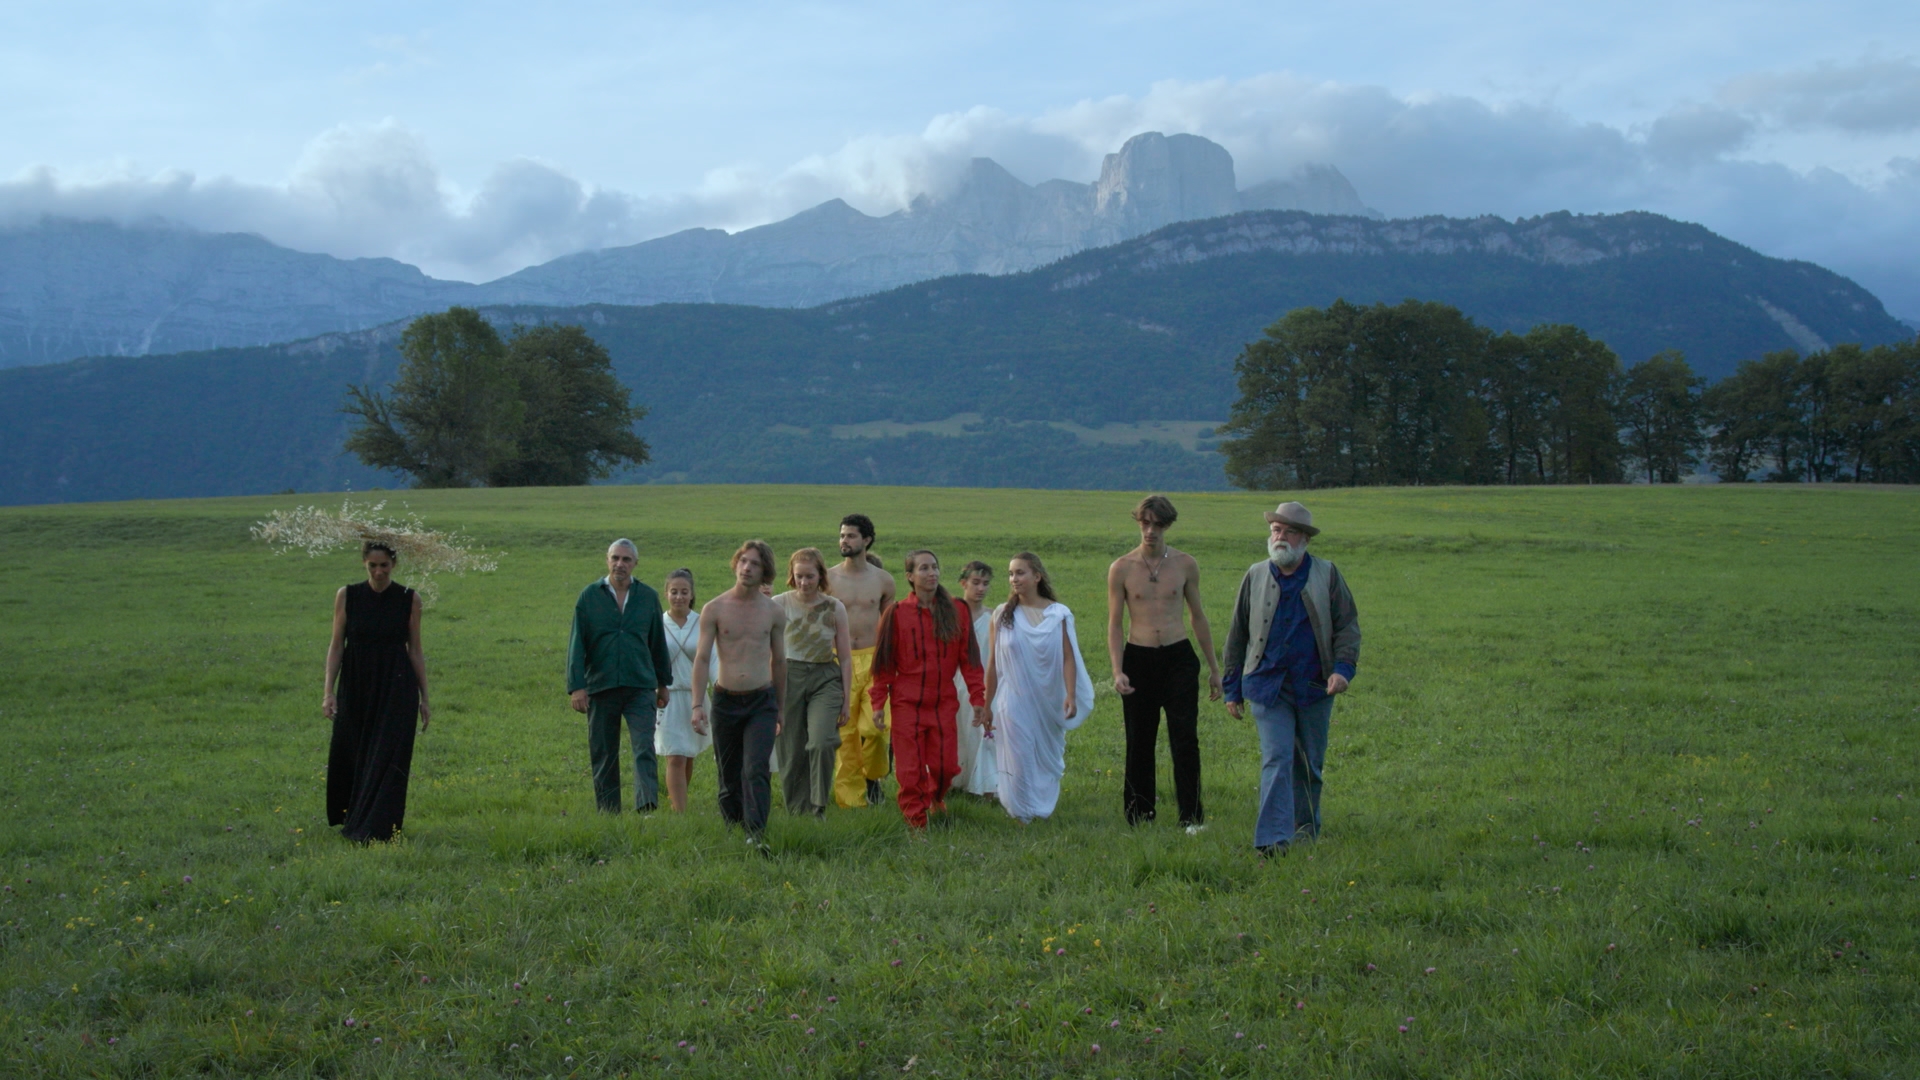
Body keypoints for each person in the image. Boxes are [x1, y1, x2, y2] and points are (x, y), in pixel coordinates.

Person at [1221, 502, 1362, 857]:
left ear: (1304, 539)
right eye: (1275, 531)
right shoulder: (1254, 575)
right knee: (1277, 757)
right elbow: (1237, 634)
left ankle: (1305, 830)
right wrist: (1232, 688)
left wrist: (1342, 670)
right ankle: (1272, 841)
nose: (1280, 537)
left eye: (1288, 532)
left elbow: (1347, 626)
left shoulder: (1327, 574)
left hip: (1315, 685)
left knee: (1309, 764)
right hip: (1267, 686)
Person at [1106, 494, 1222, 832]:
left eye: (1157, 524)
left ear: (1167, 526)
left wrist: (1214, 669)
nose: (1150, 531)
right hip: (1138, 657)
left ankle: (1191, 816)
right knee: (1139, 738)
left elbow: (1198, 617)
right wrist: (1117, 669)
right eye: (1145, 523)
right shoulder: (1122, 568)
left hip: (1178, 656)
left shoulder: (1185, 564)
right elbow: (1114, 623)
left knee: (1185, 738)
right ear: (1138, 523)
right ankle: (1140, 815)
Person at [868, 550, 987, 829]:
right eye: (924, 568)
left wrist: (978, 697)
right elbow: (883, 665)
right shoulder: (896, 613)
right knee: (910, 771)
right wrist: (877, 703)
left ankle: (936, 796)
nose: (932, 573)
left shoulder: (957, 609)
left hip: (943, 703)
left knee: (945, 767)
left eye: (934, 567)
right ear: (910, 577)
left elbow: (969, 660)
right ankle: (916, 823)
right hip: (906, 703)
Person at [323, 541, 431, 842]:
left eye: (384, 565)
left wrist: (424, 698)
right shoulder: (347, 596)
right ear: (364, 565)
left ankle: (380, 828)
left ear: (393, 564)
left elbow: (416, 650)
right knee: (354, 750)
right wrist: (328, 692)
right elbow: (336, 646)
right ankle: (353, 819)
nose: (379, 571)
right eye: (373, 565)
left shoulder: (410, 599)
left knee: (389, 754)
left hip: (396, 685)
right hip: (356, 684)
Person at [690, 540, 787, 849]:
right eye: (743, 561)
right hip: (725, 700)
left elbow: (780, 661)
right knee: (729, 773)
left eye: (755, 563)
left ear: (765, 572)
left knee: (756, 767)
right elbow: (702, 658)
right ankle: (734, 828)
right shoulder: (714, 608)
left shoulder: (773, 612)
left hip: (762, 701)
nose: (747, 567)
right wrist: (696, 705)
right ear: (735, 564)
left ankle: (756, 834)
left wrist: (780, 708)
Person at [985, 553, 1096, 823]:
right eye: (1011, 573)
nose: (1014, 579)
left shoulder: (1058, 614)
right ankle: (1021, 813)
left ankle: (1038, 808)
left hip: (1048, 700)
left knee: (1044, 760)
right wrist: (986, 704)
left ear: (1037, 576)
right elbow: (992, 664)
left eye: (1020, 573)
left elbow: (1068, 657)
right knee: (1019, 756)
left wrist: (1070, 694)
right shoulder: (1002, 615)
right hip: (1012, 700)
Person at [567, 539, 674, 813]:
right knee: (604, 752)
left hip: (640, 685)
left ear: (635, 564)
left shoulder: (647, 597)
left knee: (644, 747)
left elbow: (656, 643)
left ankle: (646, 807)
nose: (620, 564)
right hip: (601, 686)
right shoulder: (589, 597)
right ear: (607, 560)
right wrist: (577, 687)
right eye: (615, 558)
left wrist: (663, 683)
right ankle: (608, 810)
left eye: (626, 559)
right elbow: (577, 644)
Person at [774, 548, 853, 817]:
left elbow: (844, 656)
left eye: (810, 576)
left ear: (821, 576)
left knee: (821, 741)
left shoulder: (834, 607)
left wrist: (846, 699)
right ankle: (798, 810)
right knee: (792, 748)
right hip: (789, 676)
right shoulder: (778, 604)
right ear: (791, 576)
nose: (804, 582)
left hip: (824, 677)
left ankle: (818, 805)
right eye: (799, 576)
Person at [828, 514, 897, 808]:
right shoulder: (827, 578)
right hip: (837, 660)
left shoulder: (883, 580)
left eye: (851, 536)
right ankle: (851, 801)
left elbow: (889, 625)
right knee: (845, 735)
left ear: (867, 540)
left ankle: (873, 776)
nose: (845, 541)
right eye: (842, 535)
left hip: (873, 662)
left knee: (876, 729)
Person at [654, 568, 710, 813]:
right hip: (667, 696)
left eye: (684, 592)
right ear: (666, 593)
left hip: (694, 696)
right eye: (674, 592)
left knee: (687, 754)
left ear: (691, 594)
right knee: (674, 755)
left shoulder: (703, 622)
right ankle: (680, 812)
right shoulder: (657, 622)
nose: (678, 597)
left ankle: (679, 801)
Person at [952, 561, 999, 798]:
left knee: (980, 733)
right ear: (963, 583)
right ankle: (954, 779)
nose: (981, 588)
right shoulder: (951, 615)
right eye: (976, 583)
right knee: (956, 730)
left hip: (982, 683)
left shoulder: (993, 617)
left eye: (986, 583)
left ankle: (984, 784)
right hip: (955, 681)